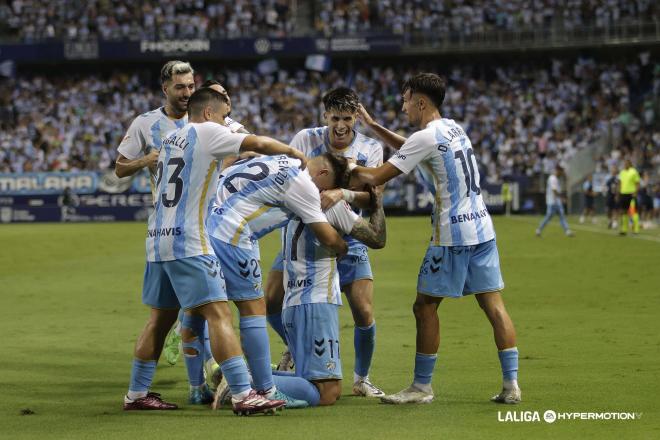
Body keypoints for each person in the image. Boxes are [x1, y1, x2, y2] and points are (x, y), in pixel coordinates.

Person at [123, 87, 305, 414]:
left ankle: (136, 394)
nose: (226, 123)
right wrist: (296, 153)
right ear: (209, 113)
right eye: (223, 116)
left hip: (157, 239)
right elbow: (259, 144)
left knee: (159, 321)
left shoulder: (171, 140)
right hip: (190, 241)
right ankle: (243, 394)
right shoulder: (208, 132)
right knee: (219, 313)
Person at [348, 73, 520, 404]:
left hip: (452, 235)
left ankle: (421, 387)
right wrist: (371, 125)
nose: (403, 107)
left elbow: (374, 176)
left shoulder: (424, 138)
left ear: (420, 102)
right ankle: (511, 385)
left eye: (405, 100)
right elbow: (411, 148)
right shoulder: (453, 128)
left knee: (424, 305)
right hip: (482, 229)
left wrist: (341, 166)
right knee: (494, 306)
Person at [264, 87, 386, 398]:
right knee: (270, 301)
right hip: (305, 233)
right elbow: (287, 178)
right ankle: (295, 349)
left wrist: (341, 194)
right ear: (324, 116)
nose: (341, 126)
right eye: (335, 118)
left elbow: (373, 196)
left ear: (357, 117)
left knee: (363, 311)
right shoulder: (305, 138)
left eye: (347, 118)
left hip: (350, 233)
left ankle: (362, 379)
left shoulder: (371, 148)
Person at [206, 152, 350, 409]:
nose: (323, 197)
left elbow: (239, 159)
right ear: (323, 175)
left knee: (208, 310)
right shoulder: (304, 185)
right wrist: (344, 247)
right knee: (327, 393)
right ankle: (248, 384)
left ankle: (235, 381)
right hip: (236, 237)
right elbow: (330, 238)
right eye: (325, 190)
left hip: (207, 227)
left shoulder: (282, 160)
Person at [276, 185, 387, 406]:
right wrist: (377, 201)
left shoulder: (292, 197)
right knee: (327, 392)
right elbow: (377, 239)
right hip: (316, 303)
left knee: (309, 381)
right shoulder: (331, 205)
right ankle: (244, 381)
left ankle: (247, 379)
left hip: (293, 301)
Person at [536, 166, 574, 237]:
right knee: (549, 216)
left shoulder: (555, 178)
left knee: (562, 216)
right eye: (562, 171)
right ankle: (539, 229)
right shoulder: (552, 178)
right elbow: (554, 191)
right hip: (552, 201)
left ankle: (567, 231)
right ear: (558, 171)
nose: (562, 173)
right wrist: (562, 198)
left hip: (556, 201)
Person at [618, 159, 641, 235]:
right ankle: (624, 230)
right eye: (624, 163)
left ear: (630, 164)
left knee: (633, 212)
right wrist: (619, 192)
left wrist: (635, 192)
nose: (625, 165)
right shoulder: (622, 172)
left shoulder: (634, 172)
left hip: (631, 194)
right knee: (623, 212)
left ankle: (636, 230)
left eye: (626, 163)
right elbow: (620, 183)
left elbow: (637, 183)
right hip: (623, 194)